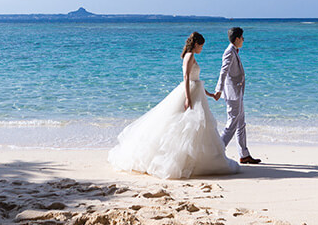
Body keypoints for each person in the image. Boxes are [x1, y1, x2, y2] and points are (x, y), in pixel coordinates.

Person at [108, 32, 240, 179]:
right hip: (190, 94)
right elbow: (186, 77)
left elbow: (196, 80)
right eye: (201, 46)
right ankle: (180, 161)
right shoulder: (189, 56)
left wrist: (210, 94)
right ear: (196, 44)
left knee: (198, 128)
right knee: (186, 127)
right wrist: (188, 99)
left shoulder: (191, 56)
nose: (202, 48)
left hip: (196, 93)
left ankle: (197, 160)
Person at [214, 26, 261, 164]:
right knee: (232, 124)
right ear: (237, 39)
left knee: (241, 124)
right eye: (242, 37)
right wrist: (219, 90)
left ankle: (244, 154)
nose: (243, 40)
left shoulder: (234, 51)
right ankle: (217, 151)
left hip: (238, 92)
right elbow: (223, 71)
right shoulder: (229, 52)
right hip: (232, 93)